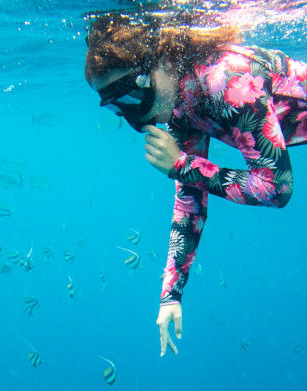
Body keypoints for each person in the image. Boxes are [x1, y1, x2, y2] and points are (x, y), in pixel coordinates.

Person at [84, 9, 307, 356]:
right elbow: (190, 194)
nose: (133, 116)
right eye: (116, 106)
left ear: (157, 64)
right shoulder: (177, 101)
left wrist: (181, 164)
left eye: (129, 96)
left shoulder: (226, 79)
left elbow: (277, 188)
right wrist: (170, 294)